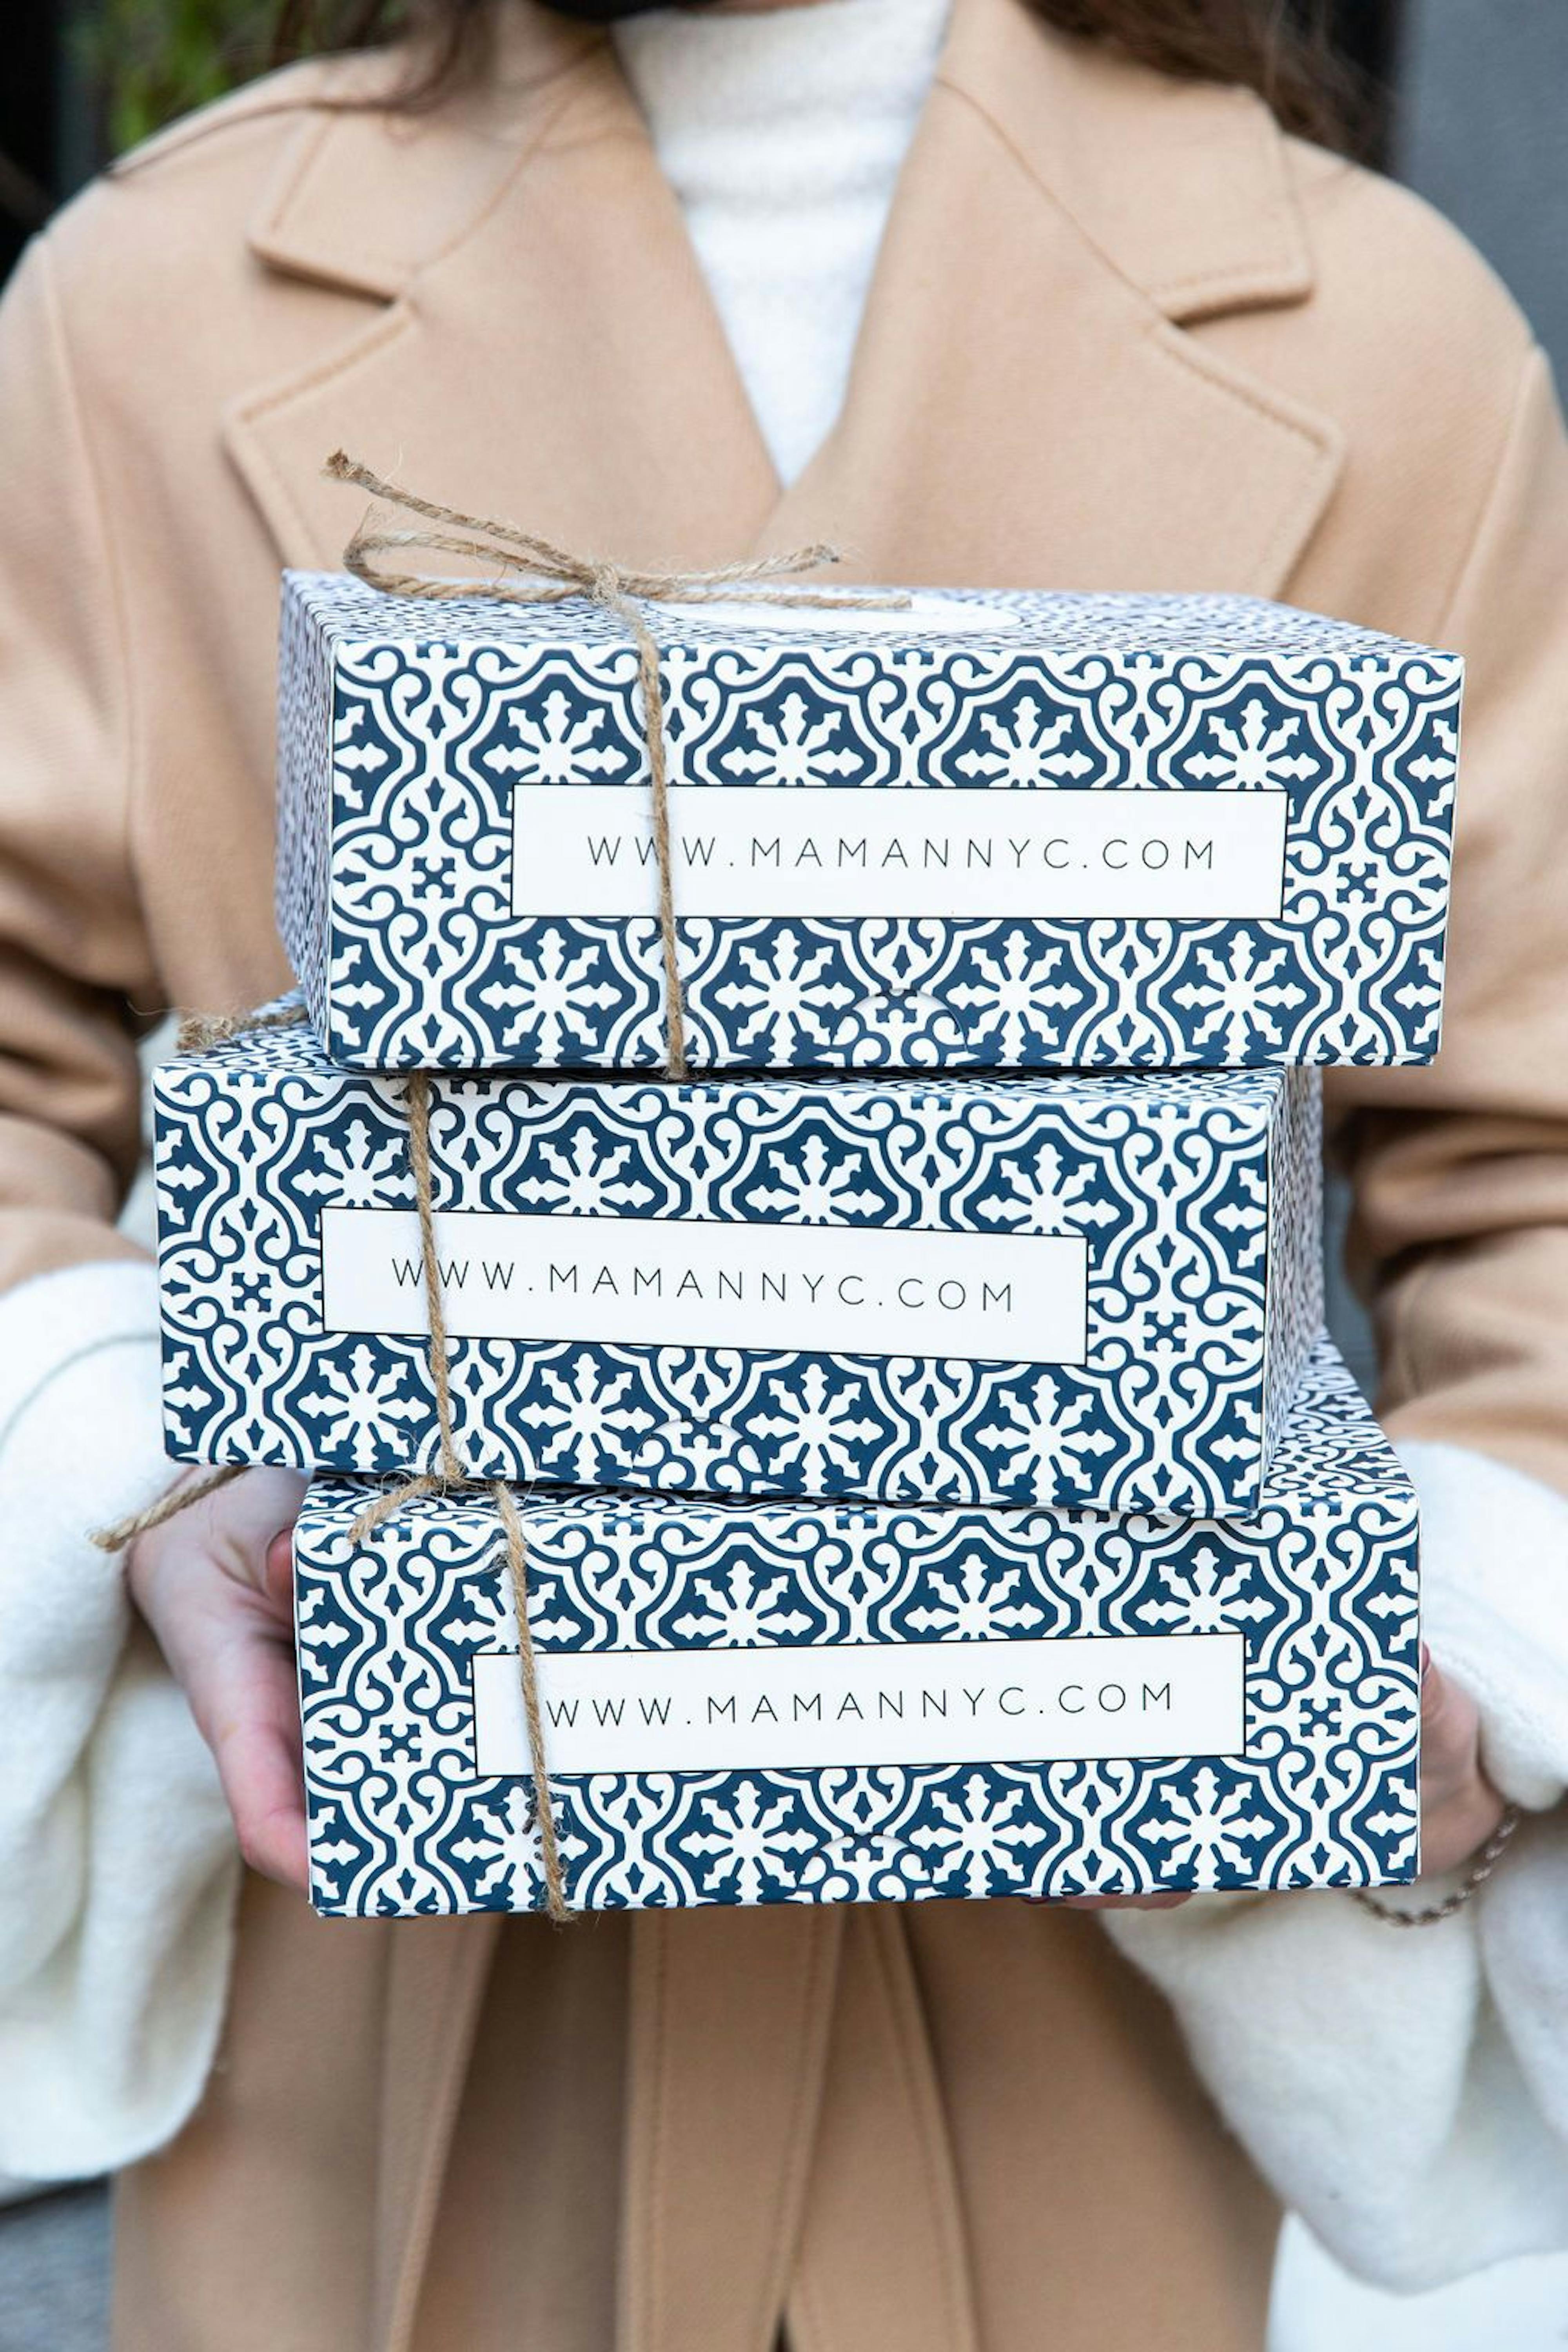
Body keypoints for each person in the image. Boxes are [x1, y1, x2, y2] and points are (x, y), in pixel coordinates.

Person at [2, 0, 1567, 2343]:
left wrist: (1449, 1647)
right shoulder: (147, 294)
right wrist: (138, 1443)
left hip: (1072, 2034)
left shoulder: (1381, 326)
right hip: (385, 2010)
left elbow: (1534, 1170)